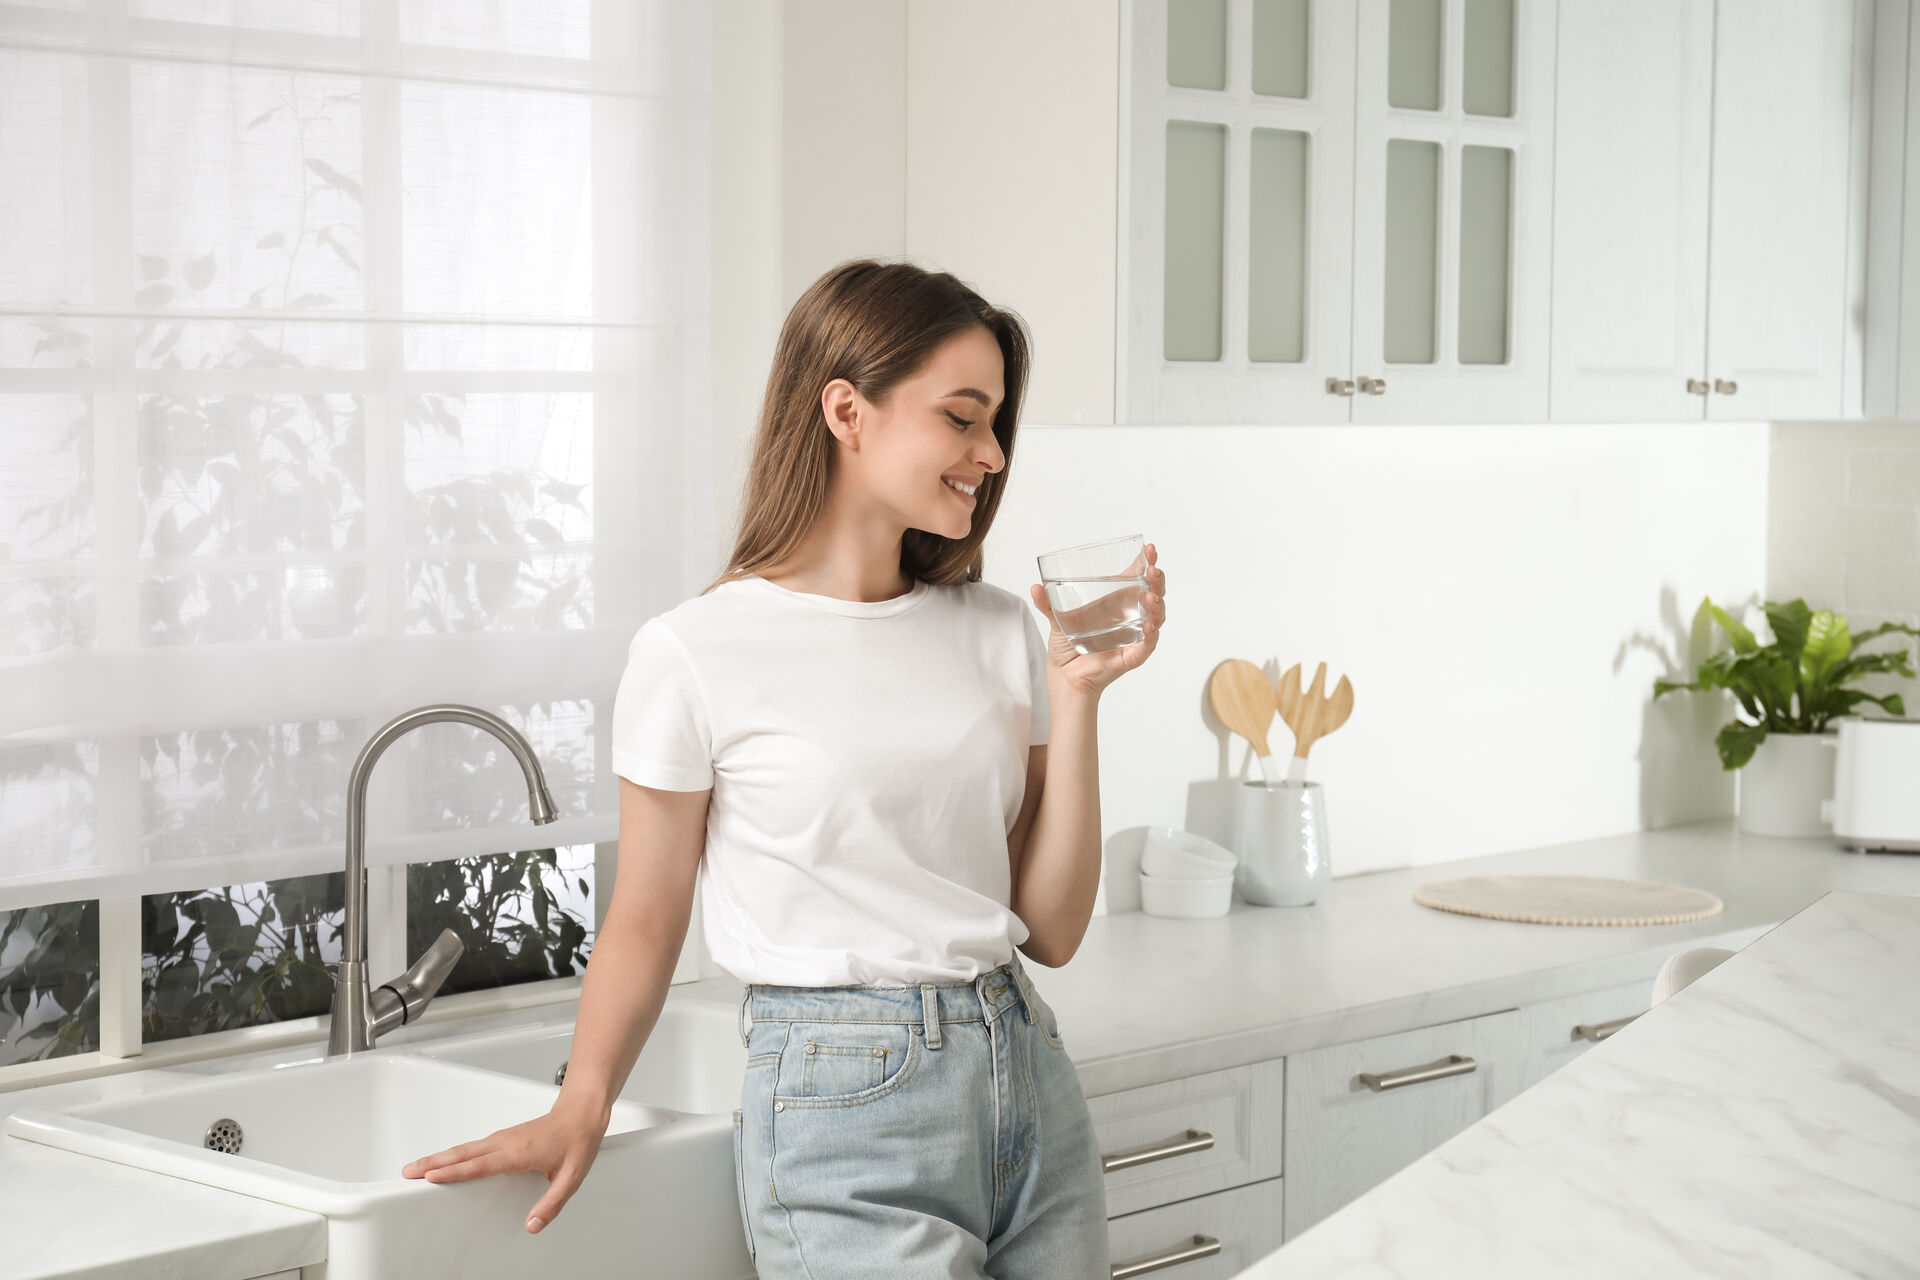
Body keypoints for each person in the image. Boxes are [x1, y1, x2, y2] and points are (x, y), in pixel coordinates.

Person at [399, 258, 1168, 1278]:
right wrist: (579, 1104)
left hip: (1026, 1063)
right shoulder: (695, 651)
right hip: (844, 1100)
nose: (989, 453)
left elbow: (1056, 926)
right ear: (847, 408)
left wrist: (1079, 697)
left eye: (995, 425)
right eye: (961, 416)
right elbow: (648, 909)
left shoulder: (998, 630)